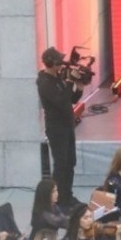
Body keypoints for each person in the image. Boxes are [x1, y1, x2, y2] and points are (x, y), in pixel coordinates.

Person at [36, 46, 81, 209]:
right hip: (57, 129)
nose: (62, 65)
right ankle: (58, 200)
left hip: (68, 126)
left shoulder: (58, 77)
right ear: (52, 63)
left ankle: (67, 195)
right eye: (59, 62)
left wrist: (79, 86)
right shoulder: (44, 83)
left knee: (70, 162)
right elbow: (60, 101)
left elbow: (71, 99)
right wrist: (69, 82)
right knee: (61, 165)